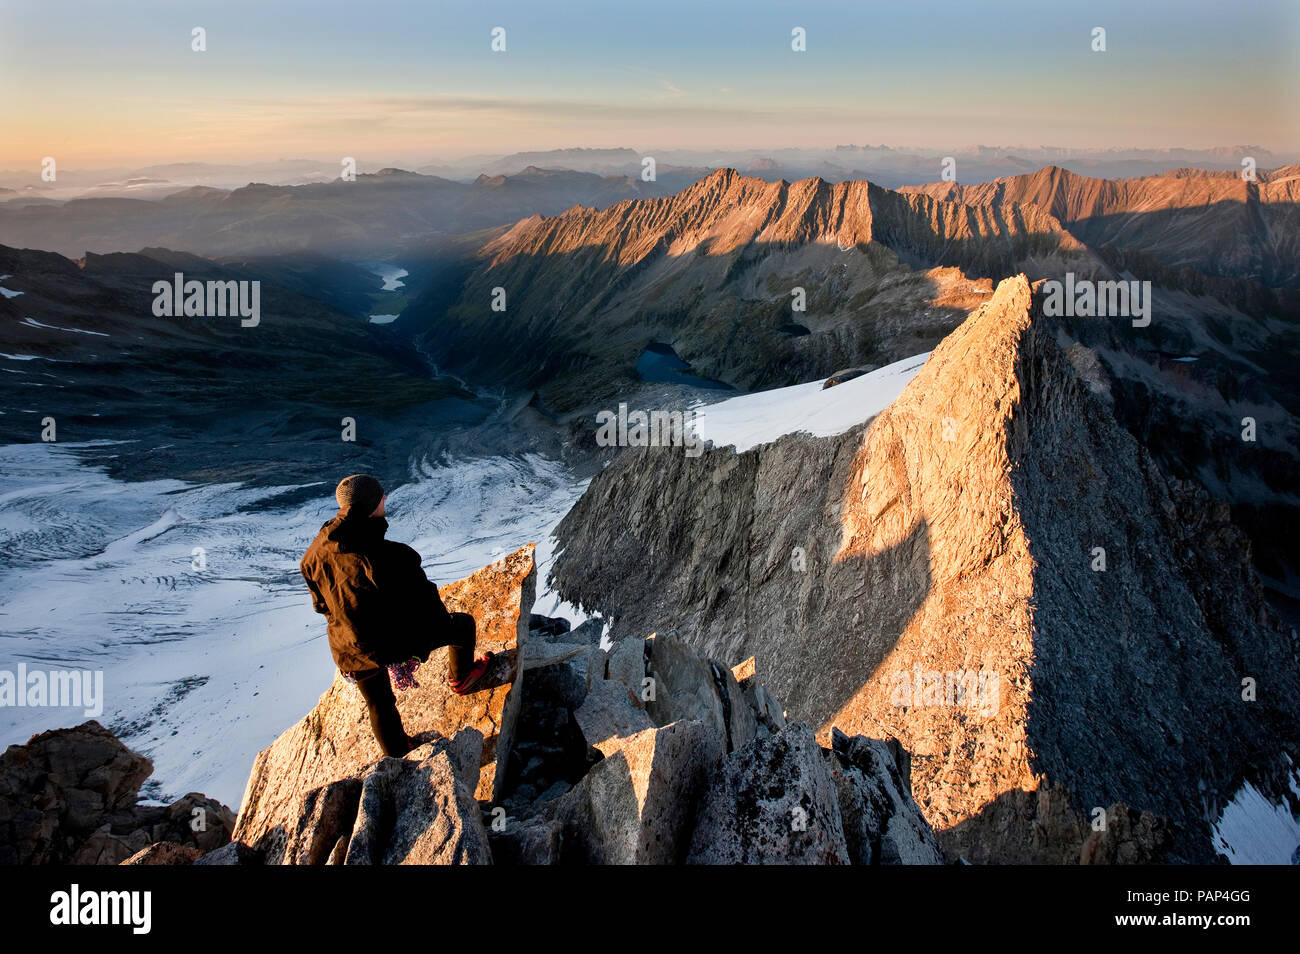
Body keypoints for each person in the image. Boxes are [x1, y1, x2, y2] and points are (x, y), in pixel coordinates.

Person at [300, 474, 491, 755]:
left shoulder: (313, 555)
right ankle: (461, 678)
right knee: (462, 625)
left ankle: (397, 754)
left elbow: (321, 606)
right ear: (369, 506)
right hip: (388, 643)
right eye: (380, 496)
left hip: (348, 647)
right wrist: (428, 636)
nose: (385, 498)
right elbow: (429, 609)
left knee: (379, 703)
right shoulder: (395, 557)